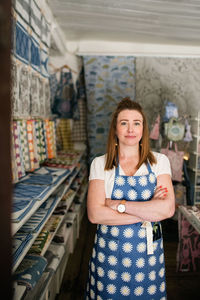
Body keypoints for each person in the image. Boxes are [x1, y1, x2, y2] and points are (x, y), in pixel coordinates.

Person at [85, 97, 175, 300]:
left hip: (149, 258)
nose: (130, 129)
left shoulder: (159, 162)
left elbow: (167, 210)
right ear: (115, 129)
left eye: (137, 123)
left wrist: (117, 205)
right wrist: (149, 211)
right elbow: (94, 214)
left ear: (143, 128)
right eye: (124, 123)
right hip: (109, 258)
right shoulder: (100, 164)